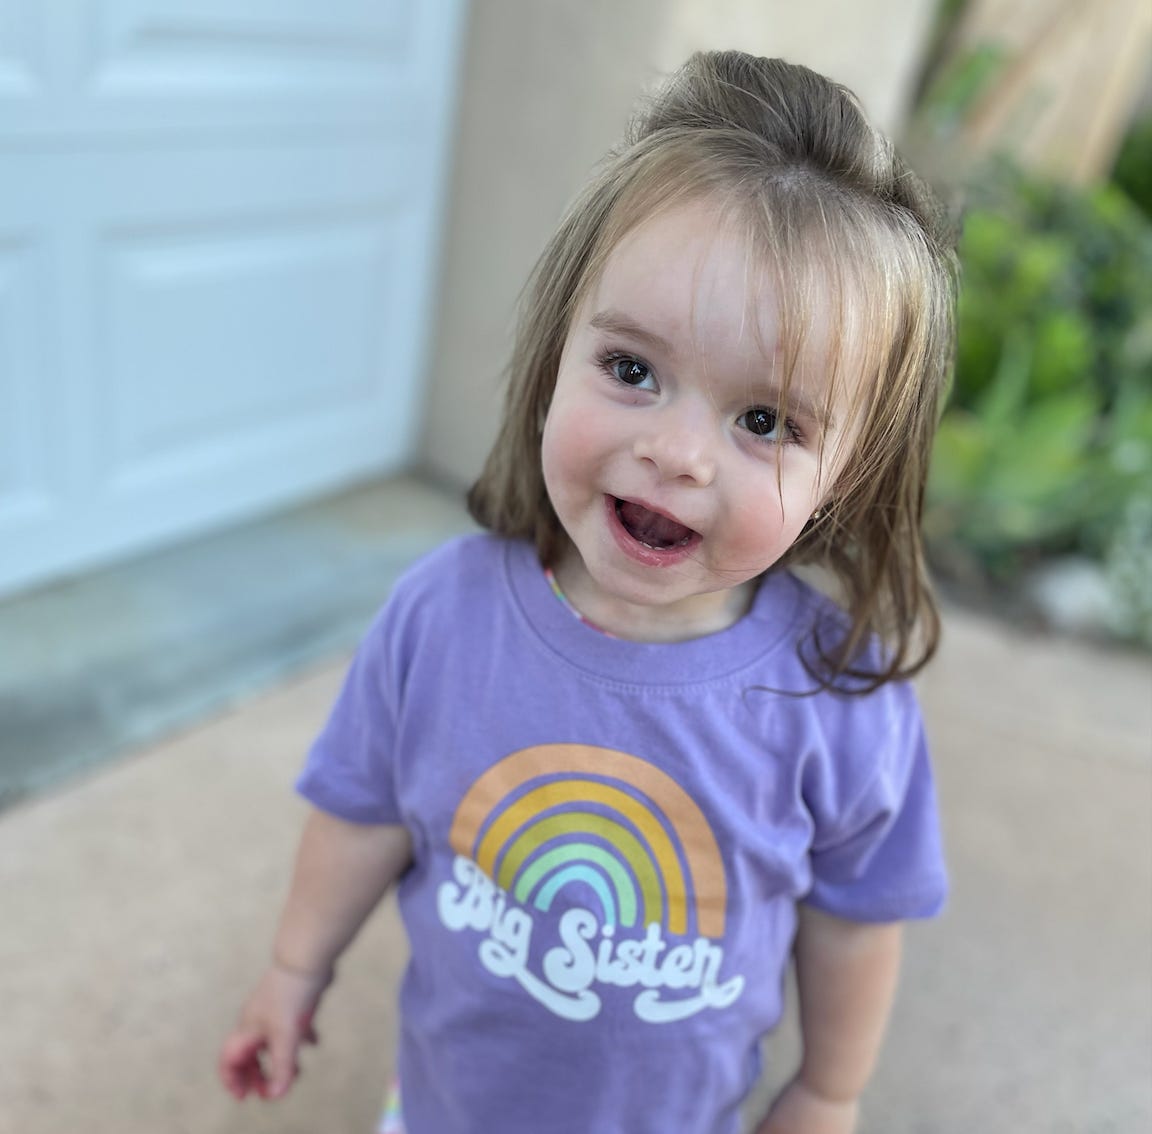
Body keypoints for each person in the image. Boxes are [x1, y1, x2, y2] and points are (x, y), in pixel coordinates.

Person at [218, 50, 956, 1134]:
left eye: (764, 421)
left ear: (845, 476)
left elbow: (855, 920)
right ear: (557, 350)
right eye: (632, 369)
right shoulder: (442, 619)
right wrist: (294, 970)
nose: (676, 454)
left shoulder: (840, 703)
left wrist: (826, 1091)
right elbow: (363, 813)